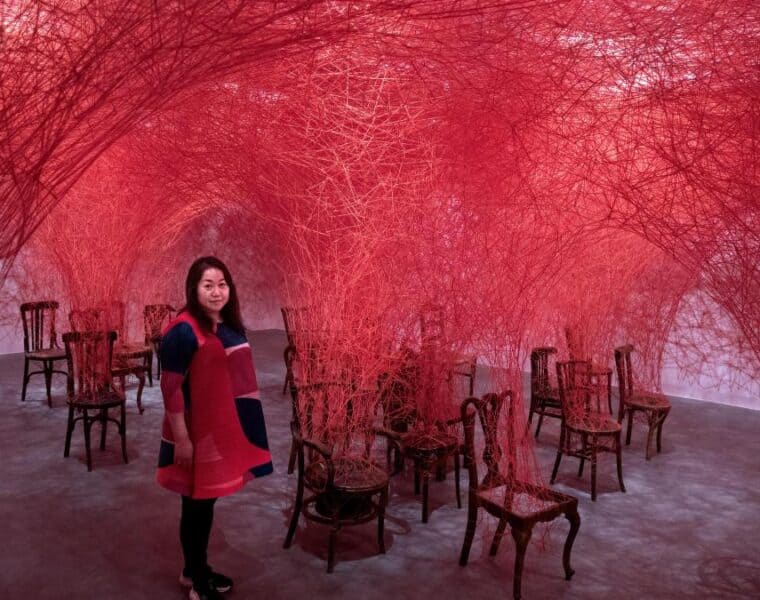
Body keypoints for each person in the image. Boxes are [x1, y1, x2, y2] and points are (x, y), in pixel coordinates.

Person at [157, 256, 273, 600]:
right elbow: (171, 388)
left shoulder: (225, 323)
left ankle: (195, 569)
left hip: (222, 430)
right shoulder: (183, 330)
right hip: (197, 434)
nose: (216, 291)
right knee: (195, 505)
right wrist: (182, 439)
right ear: (193, 288)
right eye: (208, 285)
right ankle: (195, 578)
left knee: (204, 505)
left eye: (222, 284)